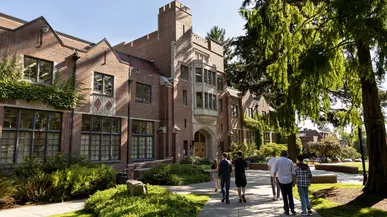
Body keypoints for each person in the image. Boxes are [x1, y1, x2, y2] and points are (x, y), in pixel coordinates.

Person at [274, 150, 296, 216]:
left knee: (284, 196)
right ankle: (292, 209)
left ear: (281, 154)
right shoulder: (290, 161)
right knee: (290, 195)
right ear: (287, 154)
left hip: (281, 180)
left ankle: (286, 210)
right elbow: (293, 173)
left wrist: (274, 179)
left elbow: (275, 171)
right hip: (289, 180)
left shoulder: (278, 161)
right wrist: (294, 181)